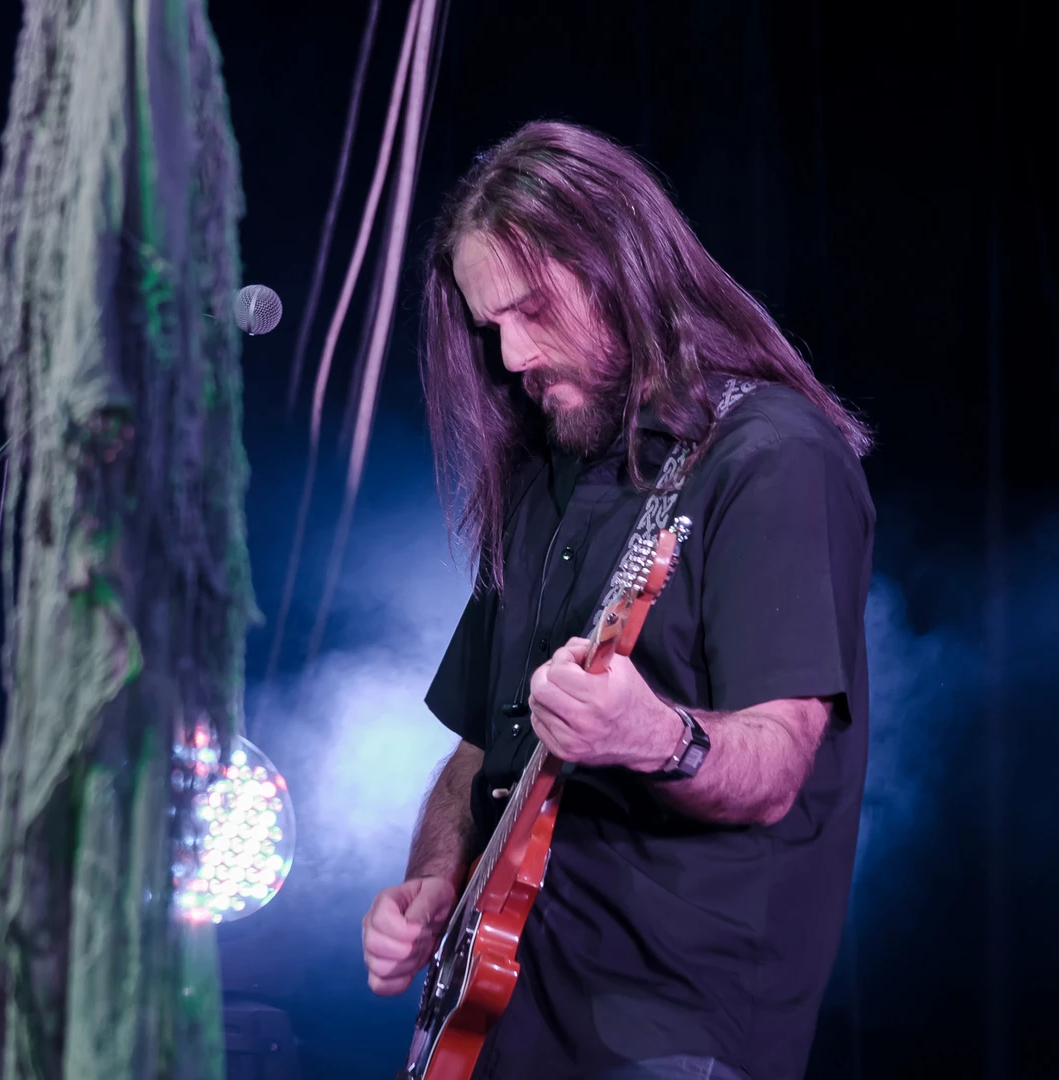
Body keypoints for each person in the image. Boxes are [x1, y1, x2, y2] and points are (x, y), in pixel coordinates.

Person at [361, 120, 875, 1080]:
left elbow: (776, 763)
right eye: (490, 328)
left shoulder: (771, 457)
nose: (512, 356)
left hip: (666, 1033)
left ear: (620, 268)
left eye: (531, 311)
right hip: (503, 1021)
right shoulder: (542, 477)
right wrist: (432, 883)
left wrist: (652, 736)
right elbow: (479, 746)